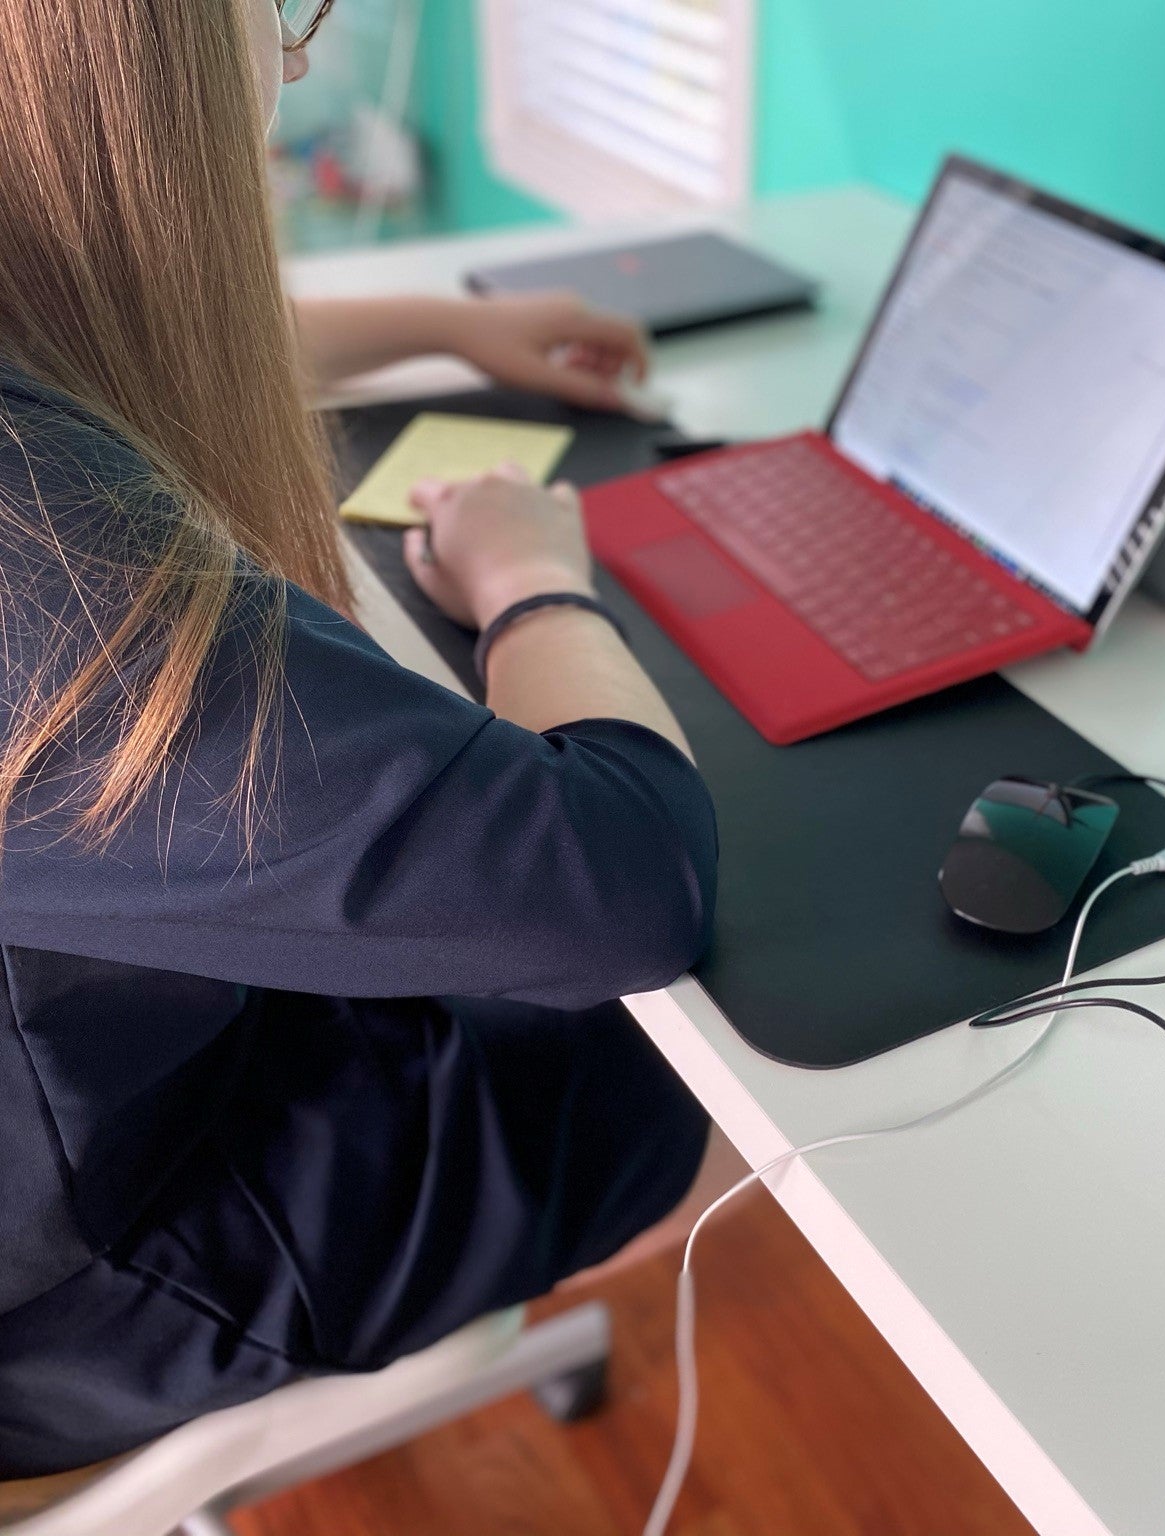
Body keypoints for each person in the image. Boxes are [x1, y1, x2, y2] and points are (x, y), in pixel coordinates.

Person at [0, 0, 725, 1477]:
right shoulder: (37, 558)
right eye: (282, 10)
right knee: (692, 1072)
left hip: (93, 1097)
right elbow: (623, 883)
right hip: (93, 1263)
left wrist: (446, 325)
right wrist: (532, 583)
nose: (294, 54)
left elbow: (67, 322)